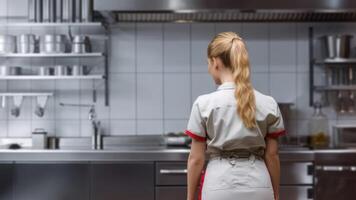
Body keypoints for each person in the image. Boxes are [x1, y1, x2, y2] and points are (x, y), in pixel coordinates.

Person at [185, 32, 286, 200]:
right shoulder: (268, 103)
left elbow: (196, 159)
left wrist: (189, 197)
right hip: (260, 186)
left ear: (215, 62)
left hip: (218, 186)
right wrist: (275, 195)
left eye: (208, 63)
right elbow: (272, 156)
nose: (209, 69)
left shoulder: (203, 104)